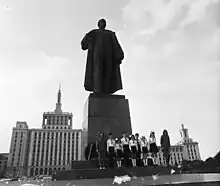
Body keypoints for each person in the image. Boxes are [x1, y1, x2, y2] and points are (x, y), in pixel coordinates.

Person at [81, 19, 124, 95]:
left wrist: (119, 55)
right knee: (98, 71)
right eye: (101, 22)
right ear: (98, 24)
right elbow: (84, 43)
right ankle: (97, 90)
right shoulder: (94, 33)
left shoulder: (110, 34)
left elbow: (116, 44)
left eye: (104, 22)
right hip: (97, 54)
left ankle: (107, 90)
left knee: (108, 72)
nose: (103, 24)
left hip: (108, 56)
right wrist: (87, 40)